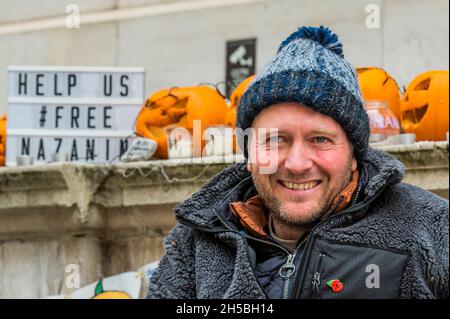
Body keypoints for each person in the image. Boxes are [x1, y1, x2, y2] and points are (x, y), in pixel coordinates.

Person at [147, 26, 448, 299]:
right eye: (276, 139)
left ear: (355, 156)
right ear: (250, 155)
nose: (297, 163)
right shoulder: (197, 241)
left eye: (320, 139)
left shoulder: (429, 228)